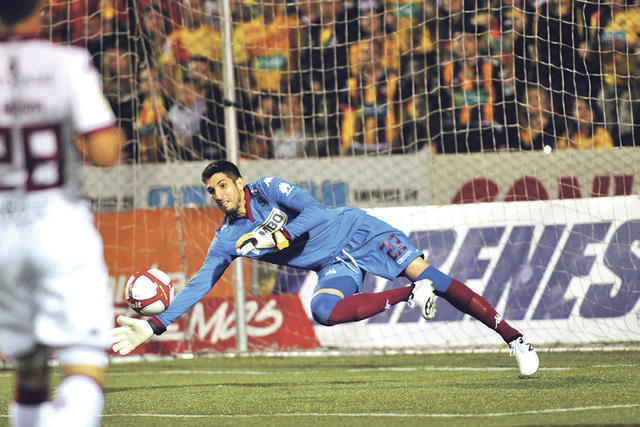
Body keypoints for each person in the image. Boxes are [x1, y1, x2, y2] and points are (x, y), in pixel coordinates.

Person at [113, 160, 539, 376]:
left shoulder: (268, 189)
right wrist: (156, 325)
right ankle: (409, 295)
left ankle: (515, 338)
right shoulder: (227, 239)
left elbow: (316, 212)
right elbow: (199, 283)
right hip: (335, 264)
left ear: (239, 183)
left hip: (358, 230)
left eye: (223, 185)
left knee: (436, 280)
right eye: (211, 191)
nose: (218, 194)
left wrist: (277, 237)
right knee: (322, 312)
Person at [0, 1, 123, 426]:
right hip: (60, 230)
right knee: (83, 359)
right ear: (39, 8)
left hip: (3, 237)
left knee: (30, 364)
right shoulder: (67, 63)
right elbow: (106, 152)